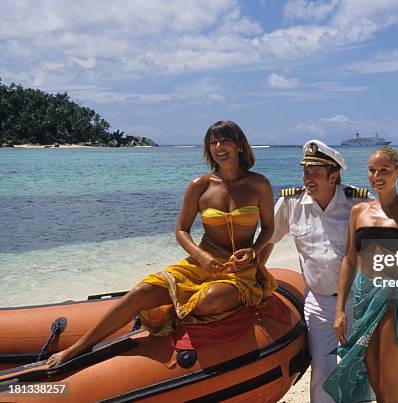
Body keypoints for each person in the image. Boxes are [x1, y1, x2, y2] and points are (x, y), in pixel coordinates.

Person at [47, 120, 277, 367]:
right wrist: (201, 257)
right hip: (201, 262)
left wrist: (253, 252)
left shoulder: (259, 184)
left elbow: (269, 228)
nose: (219, 146)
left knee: (210, 300)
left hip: (239, 271)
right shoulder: (200, 186)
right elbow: (181, 230)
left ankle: (175, 316)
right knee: (140, 292)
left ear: (240, 145)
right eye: (213, 142)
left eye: (225, 140)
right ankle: (80, 346)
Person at [259, 140, 371, 403]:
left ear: (334, 176)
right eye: (305, 172)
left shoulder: (360, 203)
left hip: (359, 300)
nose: (308, 179)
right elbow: (269, 240)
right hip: (319, 304)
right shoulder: (291, 203)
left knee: (362, 369)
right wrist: (252, 275)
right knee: (322, 371)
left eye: (316, 173)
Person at [324, 146, 398, 403]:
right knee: (375, 383)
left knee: (390, 388)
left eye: (384, 170)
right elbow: (350, 260)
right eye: (372, 170)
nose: (376, 176)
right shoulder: (358, 212)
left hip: (395, 298)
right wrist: (339, 310)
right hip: (363, 295)